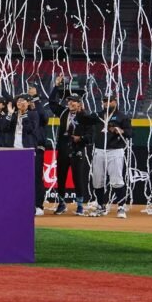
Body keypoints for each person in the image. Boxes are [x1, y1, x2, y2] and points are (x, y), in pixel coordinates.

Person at [49, 85, 98, 216]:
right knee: (61, 176)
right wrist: (56, 87)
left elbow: (91, 136)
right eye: (69, 100)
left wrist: (80, 138)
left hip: (78, 149)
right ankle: (61, 203)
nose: (70, 102)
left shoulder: (85, 116)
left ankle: (80, 205)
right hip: (63, 148)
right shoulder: (64, 112)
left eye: (73, 101)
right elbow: (52, 102)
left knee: (78, 178)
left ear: (79, 104)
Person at [0, 94, 46, 215]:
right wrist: (9, 113)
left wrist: (23, 114)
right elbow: (3, 128)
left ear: (28, 103)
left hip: (27, 151)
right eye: (18, 100)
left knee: (32, 179)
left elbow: (30, 129)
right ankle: (15, 204)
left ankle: (37, 205)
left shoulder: (33, 114)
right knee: (13, 179)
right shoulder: (12, 114)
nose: (20, 102)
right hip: (13, 151)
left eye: (23, 100)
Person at [91, 94, 133, 218]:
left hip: (115, 150)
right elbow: (85, 120)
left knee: (117, 180)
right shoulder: (98, 116)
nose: (106, 103)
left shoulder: (122, 117)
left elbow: (130, 133)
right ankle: (100, 206)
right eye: (104, 101)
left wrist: (120, 130)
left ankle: (121, 207)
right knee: (97, 180)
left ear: (115, 102)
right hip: (99, 150)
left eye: (109, 101)